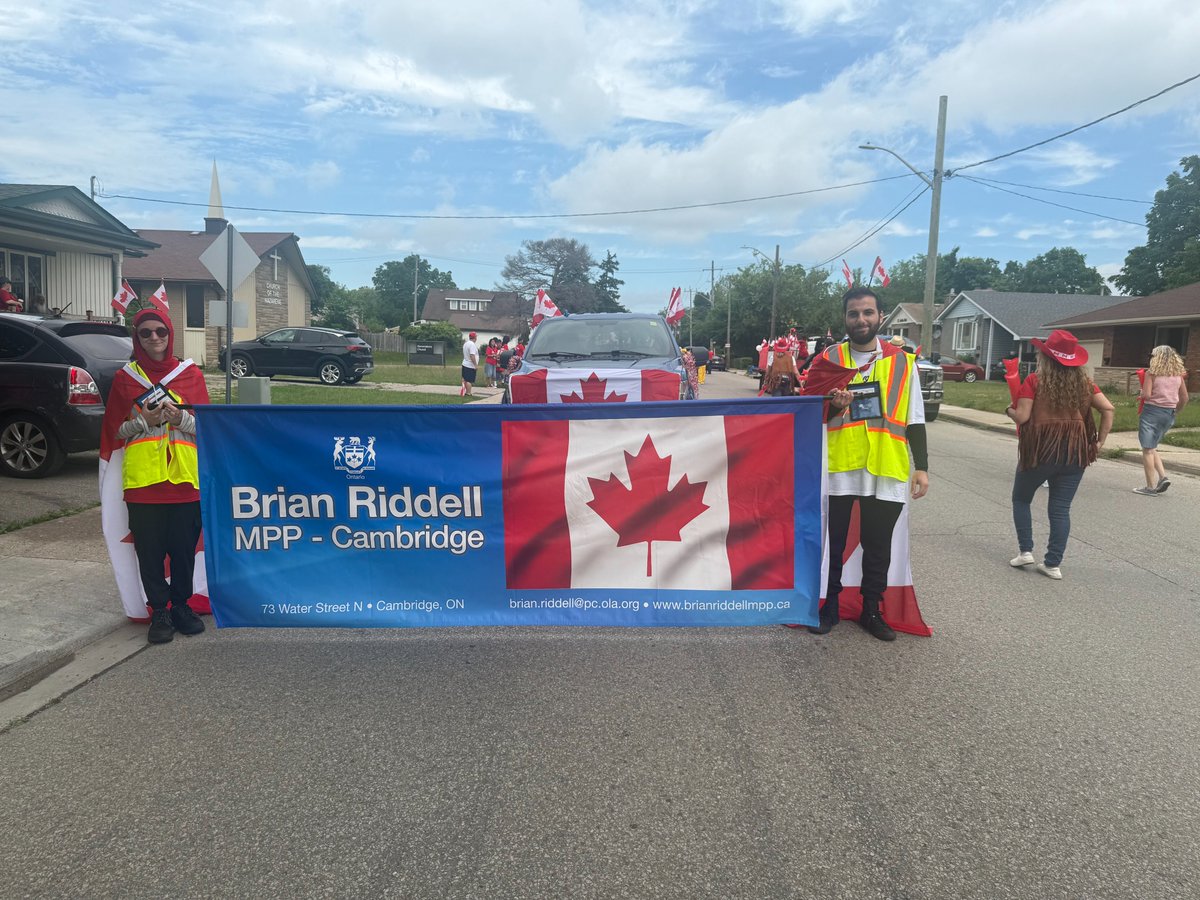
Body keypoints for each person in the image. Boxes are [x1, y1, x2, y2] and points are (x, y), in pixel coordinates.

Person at [809, 287, 929, 642]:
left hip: (885, 465)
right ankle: (829, 604)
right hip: (839, 466)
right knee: (833, 542)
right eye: (853, 314)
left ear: (880, 316)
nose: (861, 320)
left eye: (867, 313)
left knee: (878, 545)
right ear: (845, 319)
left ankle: (872, 609)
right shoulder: (828, 359)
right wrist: (835, 406)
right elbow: (811, 411)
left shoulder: (904, 362)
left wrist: (921, 466)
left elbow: (915, 417)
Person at [100, 309, 210, 644]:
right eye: (145, 333)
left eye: (160, 331)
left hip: (184, 482)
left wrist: (180, 420)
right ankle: (159, 611)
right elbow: (115, 431)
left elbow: (206, 427)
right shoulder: (125, 379)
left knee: (182, 551)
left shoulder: (190, 375)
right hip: (143, 484)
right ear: (137, 337)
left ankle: (181, 605)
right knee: (149, 553)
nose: (154, 338)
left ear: (170, 333)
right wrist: (144, 420)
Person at [1005, 330, 1114, 579]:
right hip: (1075, 452)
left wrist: (1008, 411)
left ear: (1046, 357)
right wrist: (1099, 442)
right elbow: (1108, 409)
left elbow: (1022, 416)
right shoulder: (1085, 384)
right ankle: (1052, 563)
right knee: (1060, 508)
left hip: (1041, 451)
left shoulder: (1034, 380)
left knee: (1021, 499)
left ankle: (1025, 551)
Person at [1135, 345, 1189, 495]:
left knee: (1147, 449)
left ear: (1156, 358)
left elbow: (1146, 395)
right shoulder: (1177, 375)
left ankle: (1150, 487)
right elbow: (1185, 398)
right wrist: (1175, 410)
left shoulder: (1151, 373)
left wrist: (1140, 393)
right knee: (1152, 446)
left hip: (1151, 412)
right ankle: (1163, 477)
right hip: (1168, 413)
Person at [461, 331, 479, 397]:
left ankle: (464, 391)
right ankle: (468, 393)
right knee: (469, 380)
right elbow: (472, 355)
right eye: (476, 336)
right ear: (475, 337)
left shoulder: (466, 344)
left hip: (465, 363)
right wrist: (475, 365)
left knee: (465, 378)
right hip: (470, 365)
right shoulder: (472, 345)